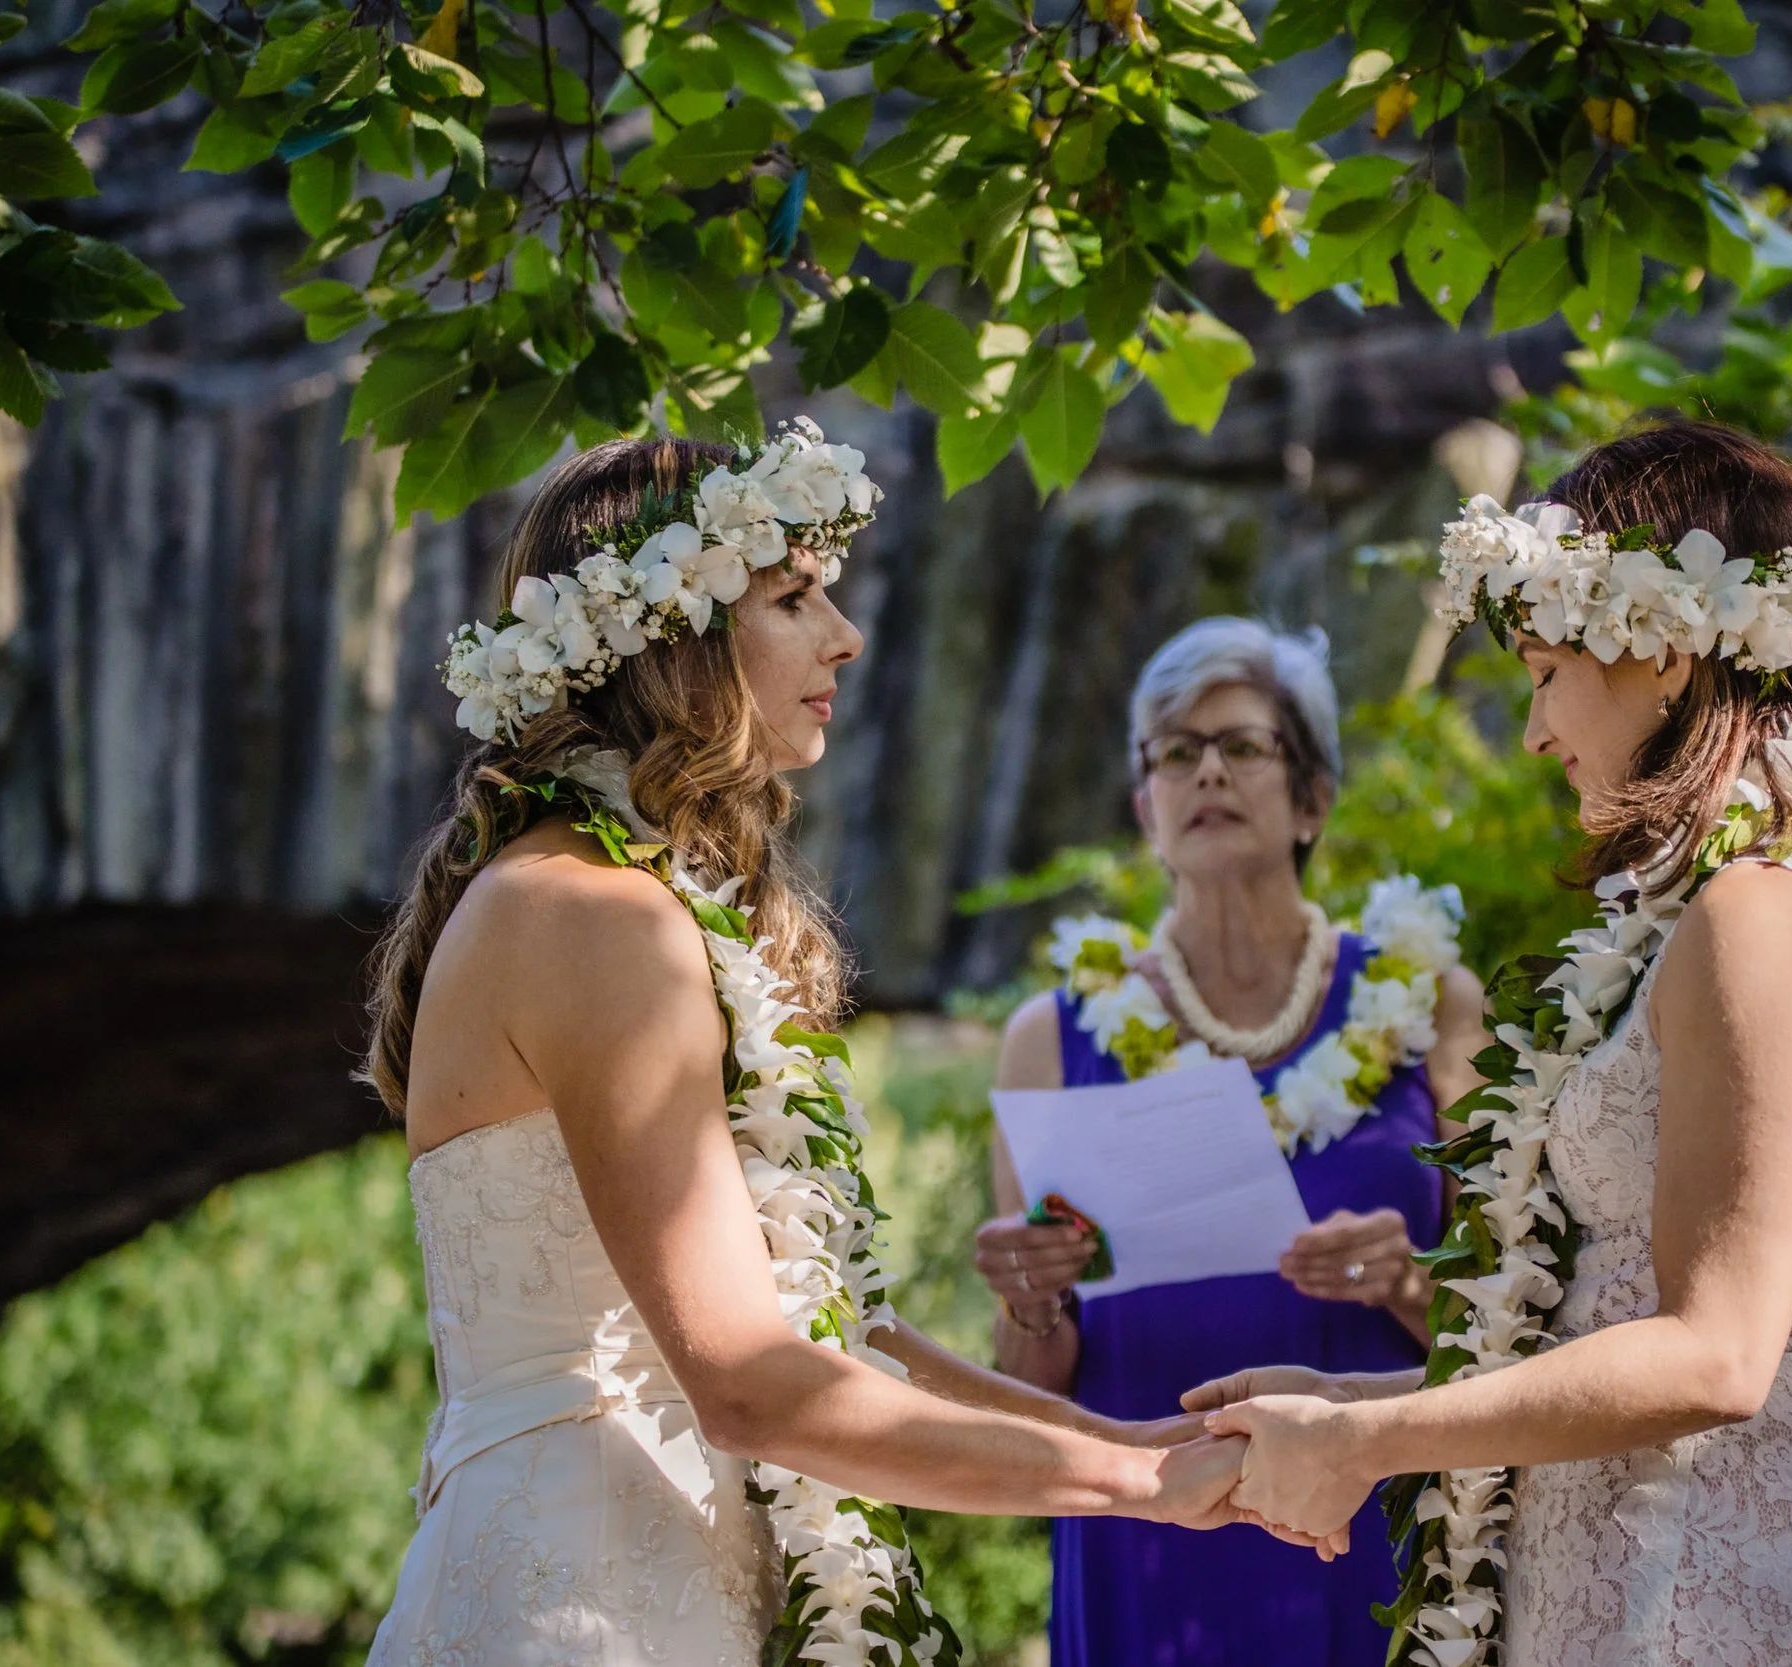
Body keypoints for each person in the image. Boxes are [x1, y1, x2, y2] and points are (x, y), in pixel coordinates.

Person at [355, 429, 1263, 1666]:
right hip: (586, 1602)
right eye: (794, 598)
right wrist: (1136, 1487)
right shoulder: (592, 917)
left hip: (680, 1579)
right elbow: (745, 1379)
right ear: (673, 635)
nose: (845, 635)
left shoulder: (628, 904)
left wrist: (1133, 1439)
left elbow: (836, 1337)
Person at [1189, 420, 1792, 1666]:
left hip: (1687, 1597)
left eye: (1546, 669)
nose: (1538, 729)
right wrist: (1360, 1403)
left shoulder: (1761, 911)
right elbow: (1605, 1331)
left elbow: (1714, 1352)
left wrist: (1368, 1445)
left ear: (1658, 648)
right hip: (1622, 1568)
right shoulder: (1734, 903)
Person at [973, 617, 1491, 1667]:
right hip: (1149, 1541)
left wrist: (1405, 1282)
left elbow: (1517, 1329)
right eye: (1174, 749)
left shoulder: (1431, 1002)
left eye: (1242, 743)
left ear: (1312, 797)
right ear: (1144, 809)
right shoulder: (1049, 1038)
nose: (1205, 768)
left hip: (1370, 1524)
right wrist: (1030, 1297)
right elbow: (1035, 1383)